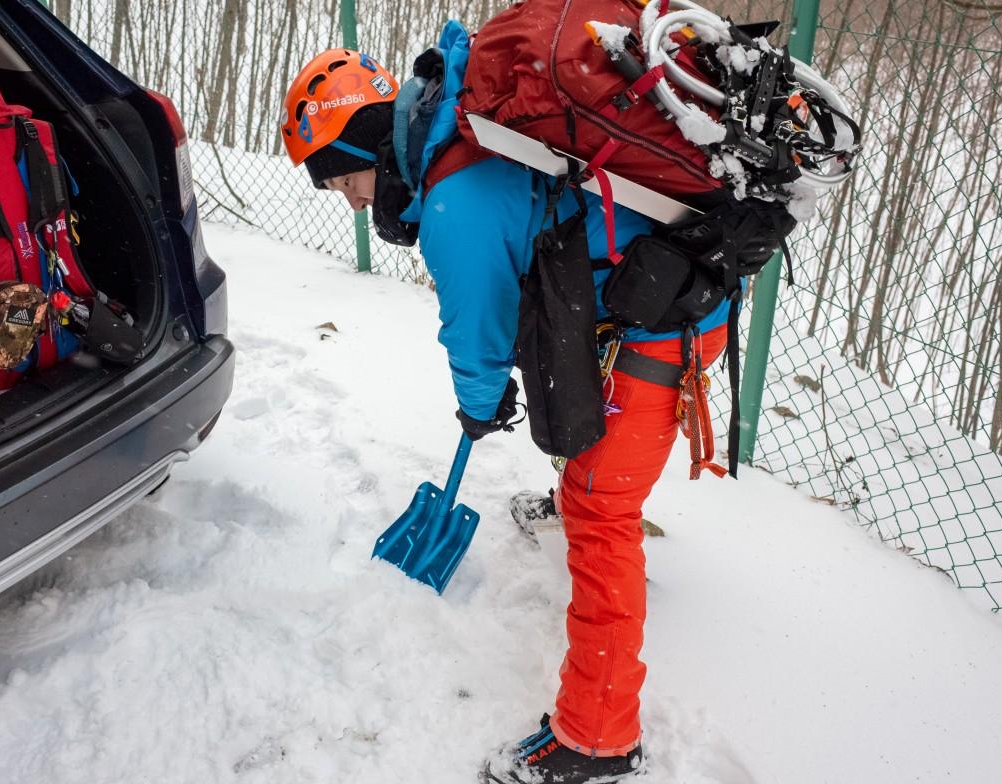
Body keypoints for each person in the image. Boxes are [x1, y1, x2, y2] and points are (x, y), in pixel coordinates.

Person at [281, 25, 730, 784]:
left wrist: (478, 407)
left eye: (342, 183)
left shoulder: (455, 197)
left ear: (360, 150)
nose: (354, 204)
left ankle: (598, 739)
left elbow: (477, 336)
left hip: (661, 331)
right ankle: (579, 495)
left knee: (602, 514)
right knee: (580, 447)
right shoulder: (455, 131)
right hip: (639, 306)